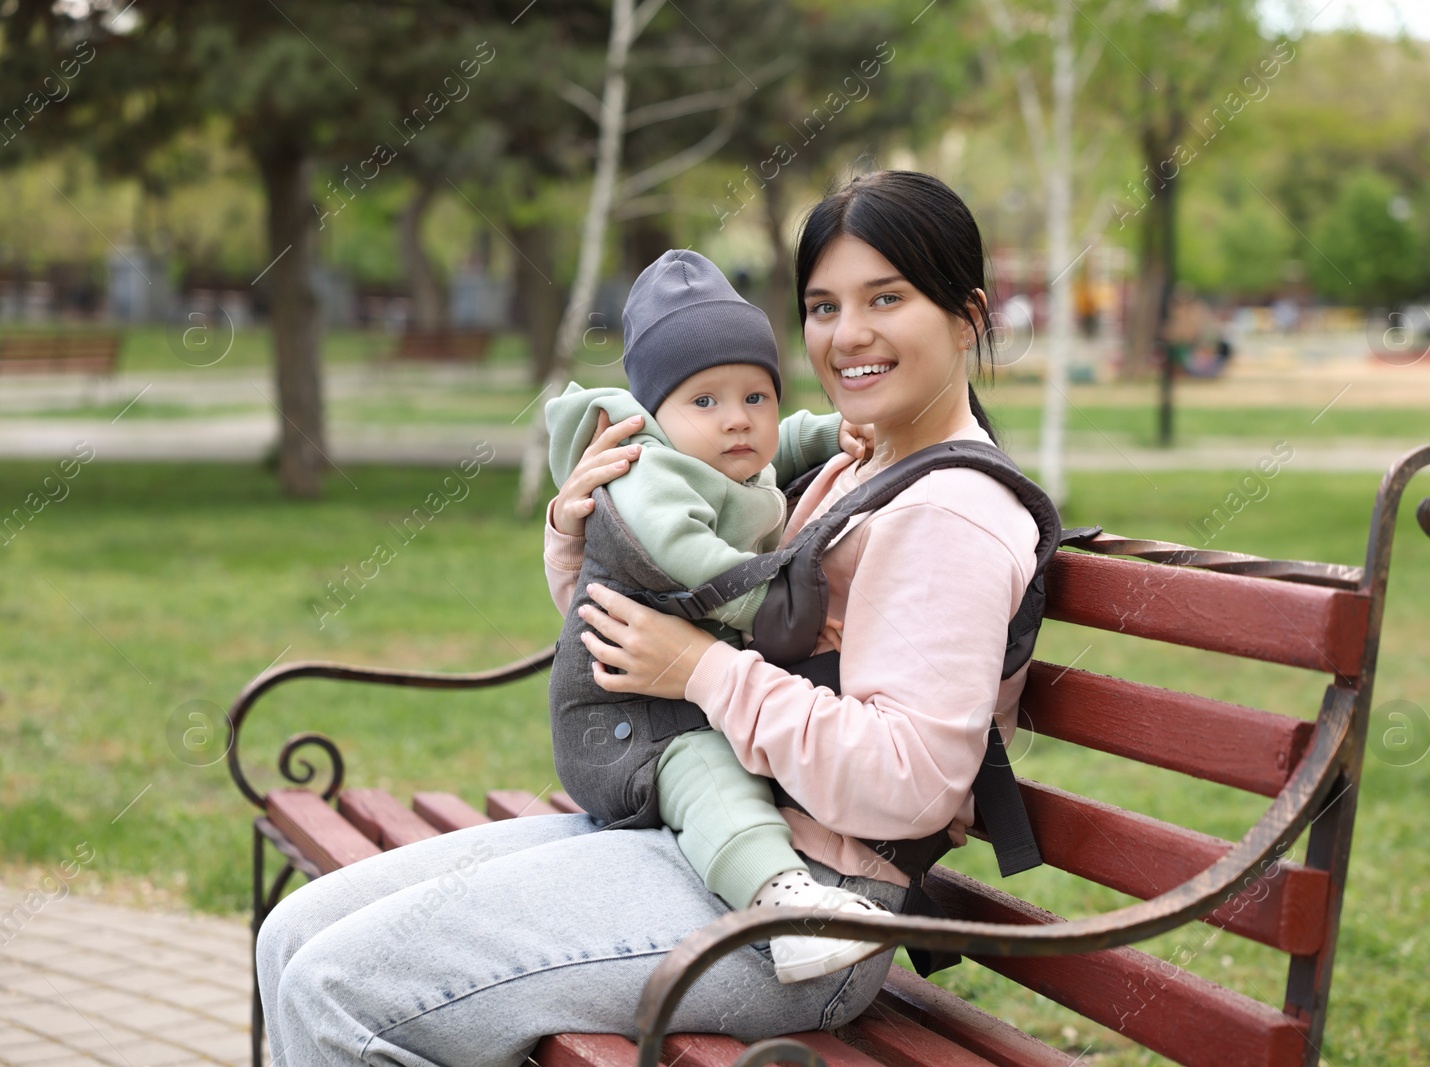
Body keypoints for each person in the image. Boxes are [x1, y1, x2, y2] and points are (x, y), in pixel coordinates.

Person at [255, 170, 1043, 1066]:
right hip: (701, 832)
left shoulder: (951, 513)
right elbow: (671, 639)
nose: (848, 334)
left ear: (969, 315)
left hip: (807, 911)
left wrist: (701, 671)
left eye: (886, 298)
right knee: (293, 935)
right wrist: (589, 539)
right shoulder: (857, 467)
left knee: (336, 986)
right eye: (823, 306)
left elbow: (910, 781)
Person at [543, 248, 890, 984]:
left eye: (754, 397)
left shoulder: (726, 455)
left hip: (675, 682)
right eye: (705, 401)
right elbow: (682, 558)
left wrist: (827, 433)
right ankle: (783, 909)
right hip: (625, 718)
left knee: (716, 758)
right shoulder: (649, 477)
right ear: (655, 416)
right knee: (707, 770)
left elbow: (782, 442)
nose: (737, 421)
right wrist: (773, 604)